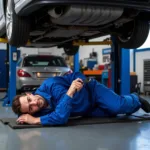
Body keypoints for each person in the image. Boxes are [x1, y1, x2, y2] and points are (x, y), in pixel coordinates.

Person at [12, 72, 150, 125]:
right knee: (114, 113)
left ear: (29, 94)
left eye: (30, 100)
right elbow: (59, 114)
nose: (35, 103)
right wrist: (26, 118)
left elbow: (61, 116)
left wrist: (35, 120)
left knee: (118, 106)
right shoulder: (38, 110)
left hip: (92, 91)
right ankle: (131, 103)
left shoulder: (51, 85)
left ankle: (135, 98)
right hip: (86, 111)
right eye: (31, 108)